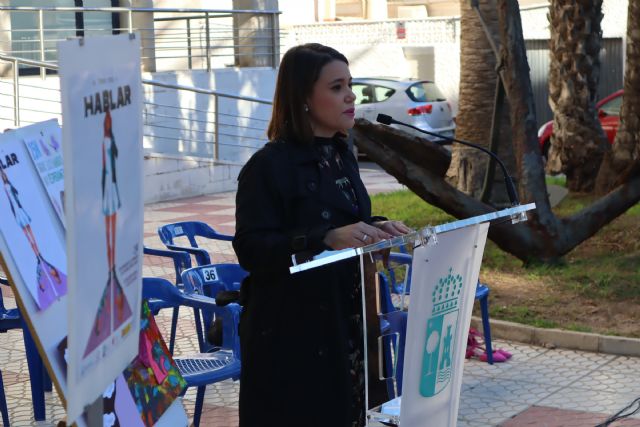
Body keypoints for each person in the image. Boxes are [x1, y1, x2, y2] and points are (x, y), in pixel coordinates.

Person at [232, 43, 411, 427]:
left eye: (350, 84)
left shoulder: (341, 153)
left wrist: (376, 227)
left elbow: (343, 221)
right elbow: (251, 248)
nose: (350, 96)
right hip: (295, 337)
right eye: (336, 87)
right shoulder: (268, 166)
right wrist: (324, 238)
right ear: (304, 98)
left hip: (351, 322)